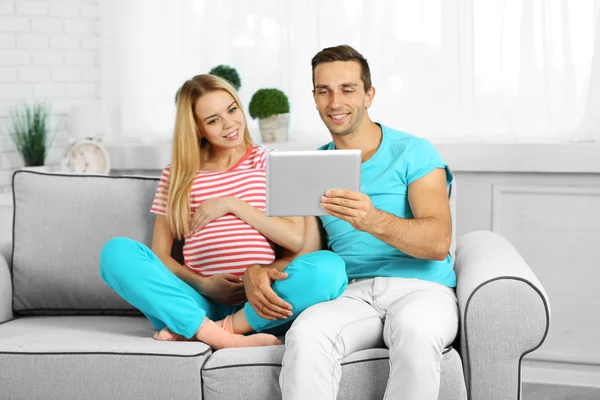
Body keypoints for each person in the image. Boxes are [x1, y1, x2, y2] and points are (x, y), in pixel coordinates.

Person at [99, 74, 347, 350]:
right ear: (197, 128)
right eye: (213, 120)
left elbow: (295, 240)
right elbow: (159, 255)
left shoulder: (269, 162)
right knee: (116, 252)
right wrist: (204, 285)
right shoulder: (178, 175)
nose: (229, 124)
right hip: (196, 302)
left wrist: (233, 204)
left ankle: (219, 331)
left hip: (259, 303)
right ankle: (215, 333)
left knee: (330, 269)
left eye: (232, 110)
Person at [274, 45, 458, 399]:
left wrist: (373, 219)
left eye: (347, 89)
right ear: (313, 98)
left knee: (415, 329)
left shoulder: (414, 152)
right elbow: (308, 251)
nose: (335, 102)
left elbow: (437, 242)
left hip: (422, 289)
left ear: (369, 94)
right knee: (307, 333)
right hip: (352, 293)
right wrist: (263, 270)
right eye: (323, 91)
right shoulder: (312, 166)